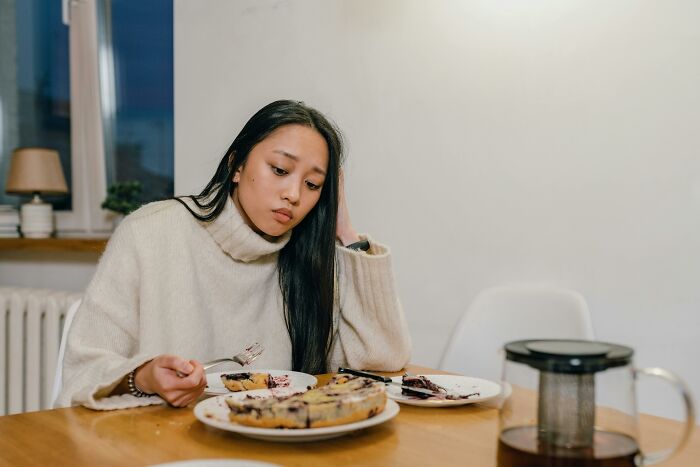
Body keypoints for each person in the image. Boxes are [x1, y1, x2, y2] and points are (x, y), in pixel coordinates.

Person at [56, 100, 411, 410]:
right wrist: (143, 376)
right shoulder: (151, 233)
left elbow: (383, 361)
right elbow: (82, 373)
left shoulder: (308, 259)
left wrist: (347, 233)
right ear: (236, 165)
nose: (293, 194)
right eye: (280, 170)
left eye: (313, 184)